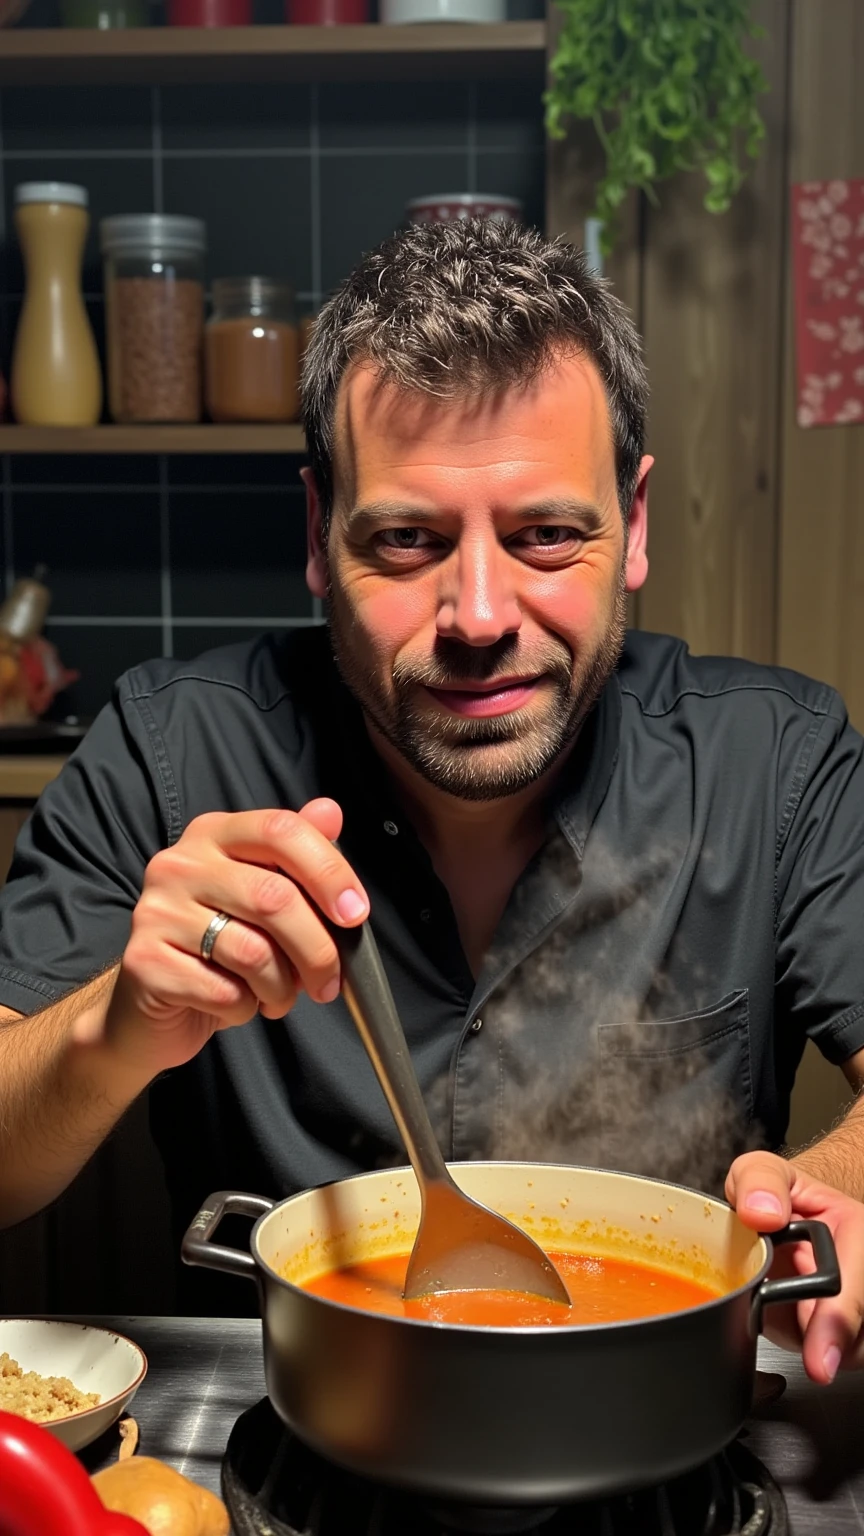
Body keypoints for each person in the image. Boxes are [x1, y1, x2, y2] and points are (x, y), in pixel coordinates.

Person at [0, 218, 863, 1377]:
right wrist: (113, 1028)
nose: (480, 616)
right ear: (318, 536)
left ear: (636, 524)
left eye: (549, 534)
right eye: (405, 540)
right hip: (293, 1405)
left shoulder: (780, 760)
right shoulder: (170, 750)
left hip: (662, 1419)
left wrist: (839, 1189)